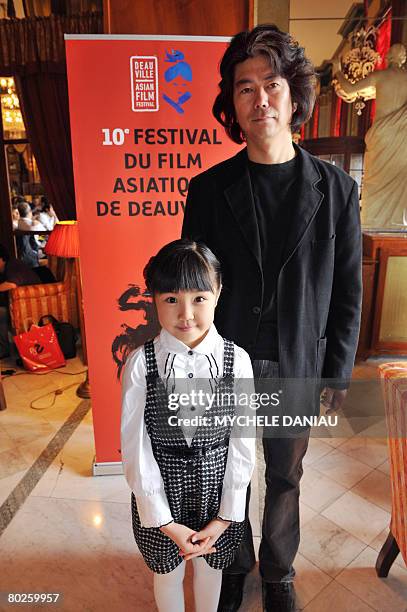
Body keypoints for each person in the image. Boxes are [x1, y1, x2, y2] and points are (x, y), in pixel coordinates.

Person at [182, 24, 362, 612]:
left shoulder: (336, 190)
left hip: (297, 360)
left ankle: (279, 572)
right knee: (228, 472)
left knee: (286, 473)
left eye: (272, 84)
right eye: (245, 87)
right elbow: (192, 289)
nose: (260, 98)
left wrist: (336, 372)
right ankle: (235, 565)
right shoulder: (208, 191)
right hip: (225, 363)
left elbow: (348, 290)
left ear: (294, 95)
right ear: (232, 104)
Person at [121, 239, 256, 612]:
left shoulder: (238, 361)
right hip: (161, 491)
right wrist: (164, 522)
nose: (186, 314)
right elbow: (135, 447)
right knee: (167, 572)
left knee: (212, 568)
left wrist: (226, 516)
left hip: (217, 492)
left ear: (218, 292)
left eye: (199, 298)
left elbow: (243, 442)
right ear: (153, 298)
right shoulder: (141, 364)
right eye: (171, 299)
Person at [333, 43, 407, 228]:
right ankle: (396, 224)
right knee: (399, 176)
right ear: (404, 58)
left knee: (375, 179)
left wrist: (337, 69)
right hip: (401, 135)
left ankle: (372, 222)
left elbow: (349, 89)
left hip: (382, 134)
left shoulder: (379, 76)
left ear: (388, 56)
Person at [0, 244, 41, 358]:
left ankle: (3, 350)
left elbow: (12, 284)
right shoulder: (4, 271)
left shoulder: (13, 265)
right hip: (16, 304)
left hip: (30, 303)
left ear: (1, 258)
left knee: (1, 313)